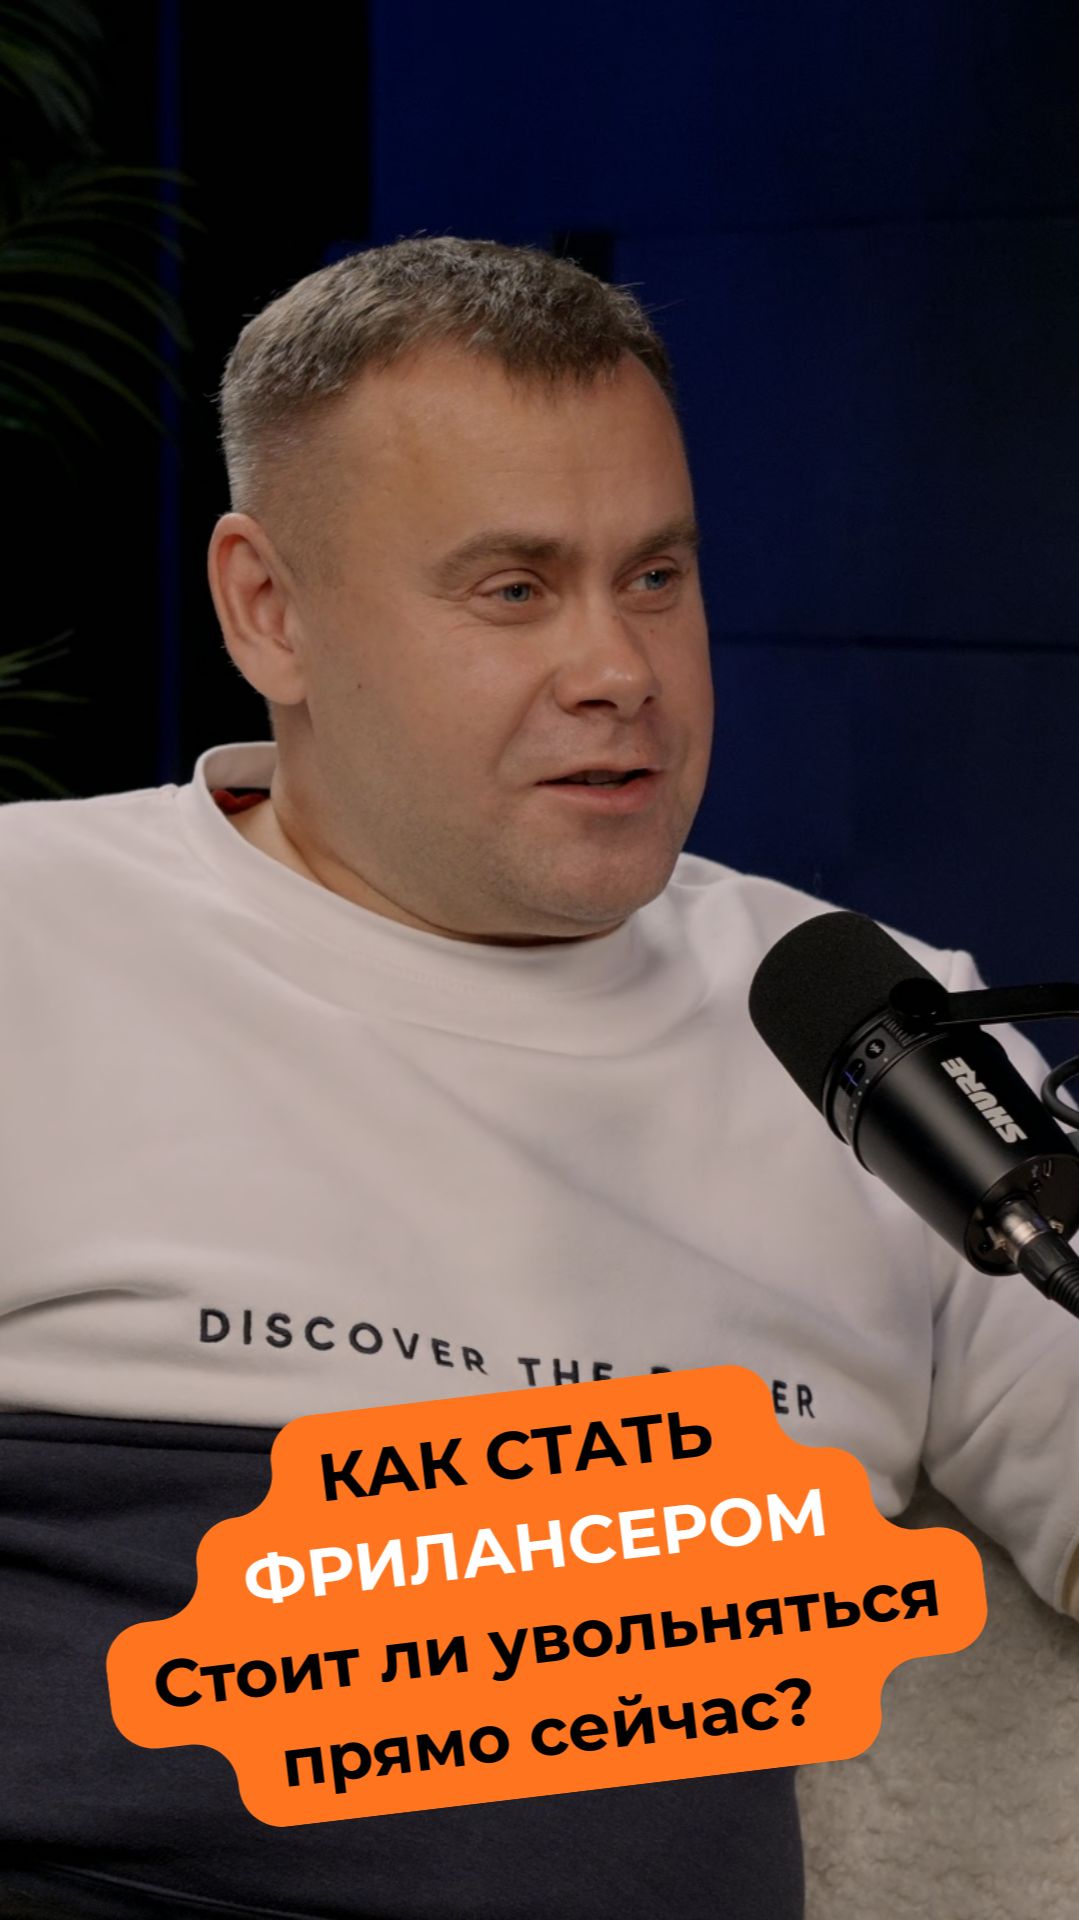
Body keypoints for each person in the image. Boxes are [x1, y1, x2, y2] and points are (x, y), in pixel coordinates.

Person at [0, 236, 1076, 1920]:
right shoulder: (30, 933)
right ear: (269, 610)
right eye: (514, 589)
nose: (619, 669)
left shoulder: (876, 1028)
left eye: (656, 576)